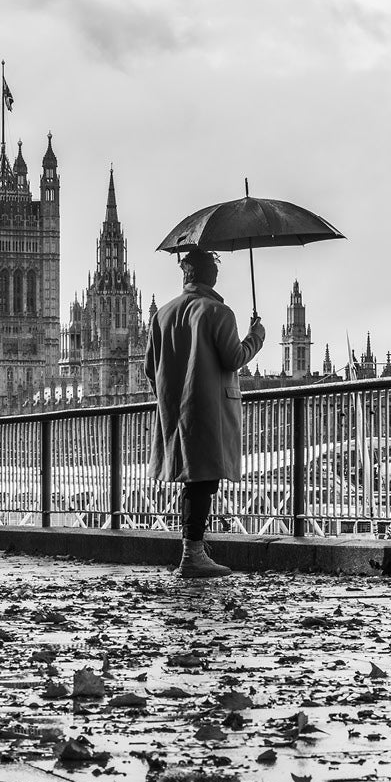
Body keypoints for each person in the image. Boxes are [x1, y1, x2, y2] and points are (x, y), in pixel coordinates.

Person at [144, 246, 264, 578]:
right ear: (212, 275)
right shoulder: (217, 312)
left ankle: (192, 551)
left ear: (186, 274)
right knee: (203, 481)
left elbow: (149, 369)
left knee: (194, 481)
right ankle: (192, 555)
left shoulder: (162, 314)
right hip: (209, 409)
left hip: (175, 410)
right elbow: (234, 358)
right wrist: (256, 337)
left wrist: (171, 396)